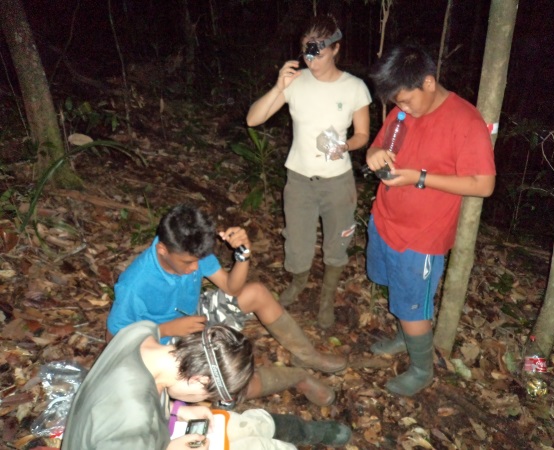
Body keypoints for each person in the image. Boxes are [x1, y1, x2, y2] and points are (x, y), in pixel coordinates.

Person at [106, 204, 346, 407]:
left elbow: (232, 288)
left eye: (197, 262)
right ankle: (296, 378)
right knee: (226, 386)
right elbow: (114, 341)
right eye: (188, 263)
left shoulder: (192, 248)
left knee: (257, 293)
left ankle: (307, 356)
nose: (194, 269)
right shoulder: (136, 285)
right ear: (162, 250)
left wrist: (243, 255)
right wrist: (167, 330)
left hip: (194, 316)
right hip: (164, 342)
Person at [364, 44, 496, 396]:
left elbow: (483, 185)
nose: (400, 108)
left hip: (421, 238)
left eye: (405, 100)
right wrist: (374, 153)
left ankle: (422, 369)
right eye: (395, 102)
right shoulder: (402, 113)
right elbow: (379, 147)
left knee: (411, 303)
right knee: (394, 290)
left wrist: (419, 178)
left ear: (428, 82)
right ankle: (403, 336)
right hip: (385, 220)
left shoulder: (465, 122)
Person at [246, 14, 372, 329]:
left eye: (316, 50)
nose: (310, 57)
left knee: (336, 244)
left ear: (335, 49)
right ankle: (298, 283)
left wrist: (345, 146)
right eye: (305, 49)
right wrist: (279, 86)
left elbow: (362, 135)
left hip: (337, 182)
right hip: (299, 180)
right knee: (298, 245)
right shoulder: (296, 82)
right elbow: (253, 119)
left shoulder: (354, 87)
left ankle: (327, 297)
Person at [61, 321, 351, 449]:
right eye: (208, 393)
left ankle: (305, 432)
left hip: (149, 430)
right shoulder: (132, 415)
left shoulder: (142, 332)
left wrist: (178, 408)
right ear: (198, 378)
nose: (206, 400)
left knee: (243, 425)